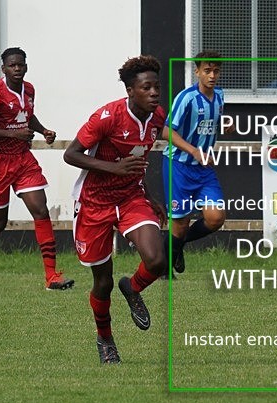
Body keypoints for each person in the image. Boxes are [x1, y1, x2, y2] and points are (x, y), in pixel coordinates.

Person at [63, 55, 167, 364]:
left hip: (130, 198)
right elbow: (71, 154)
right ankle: (105, 338)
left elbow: (137, 161)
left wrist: (149, 196)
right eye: (146, 87)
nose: (154, 93)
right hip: (95, 202)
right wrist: (114, 167)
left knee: (157, 259)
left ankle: (132, 288)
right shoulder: (107, 117)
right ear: (130, 90)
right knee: (102, 283)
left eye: (157, 87)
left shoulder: (157, 117)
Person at [0, 47, 74, 291]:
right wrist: (13, 133)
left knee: (41, 211)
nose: (17, 69)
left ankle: (51, 277)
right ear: (4, 69)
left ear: (26, 66)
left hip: (22, 159)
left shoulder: (29, 89)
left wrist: (43, 131)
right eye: (12, 65)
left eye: (20, 65)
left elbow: (26, 115)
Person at [162, 50, 235, 276]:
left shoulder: (220, 96)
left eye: (216, 71)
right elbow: (166, 131)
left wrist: (225, 126)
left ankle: (178, 244)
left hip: (203, 168)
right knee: (180, 222)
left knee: (216, 218)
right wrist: (193, 150)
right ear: (197, 72)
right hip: (179, 165)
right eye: (207, 70)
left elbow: (210, 123)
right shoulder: (186, 98)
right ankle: (164, 268)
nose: (212, 75)